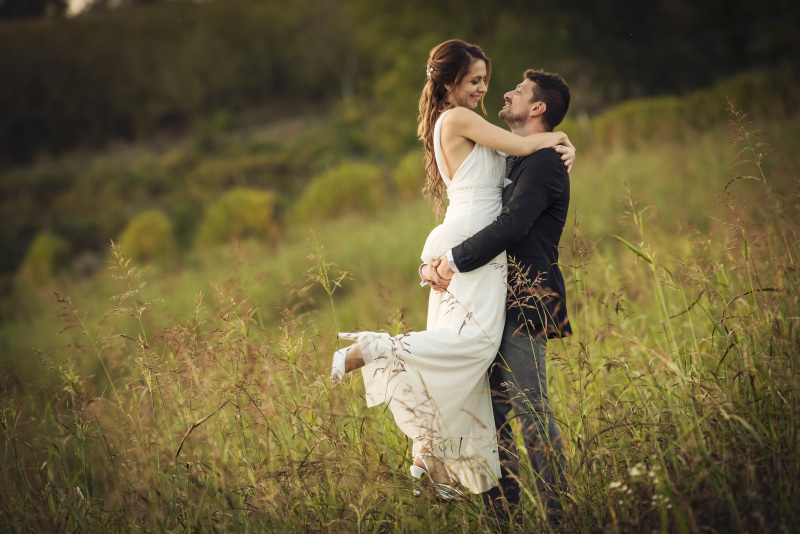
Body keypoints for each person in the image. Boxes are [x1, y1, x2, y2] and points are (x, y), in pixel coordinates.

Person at [330, 39, 574, 498]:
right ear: (451, 82)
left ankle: (433, 451)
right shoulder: (461, 119)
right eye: (476, 80)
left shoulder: (484, 132)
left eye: (492, 81)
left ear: (537, 106)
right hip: (469, 247)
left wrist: (556, 146)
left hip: (475, 252)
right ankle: (377, 351)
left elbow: (514, 171)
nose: (491, 89)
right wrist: (559, 138)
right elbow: (515, 161)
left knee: (473, 364)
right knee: (475, 349)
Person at [423, 68, 572, 522]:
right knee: (490, 421)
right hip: (485, 300)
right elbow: (474, 207)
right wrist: (434, 261)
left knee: (532, 413)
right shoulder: (513, 158)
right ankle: (503, 520)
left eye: (519, 92)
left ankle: (561, 517)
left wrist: (452, 260)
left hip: (525, 304)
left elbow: (513, 225)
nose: (504, 93)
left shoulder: (544, 161)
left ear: (538, 108)